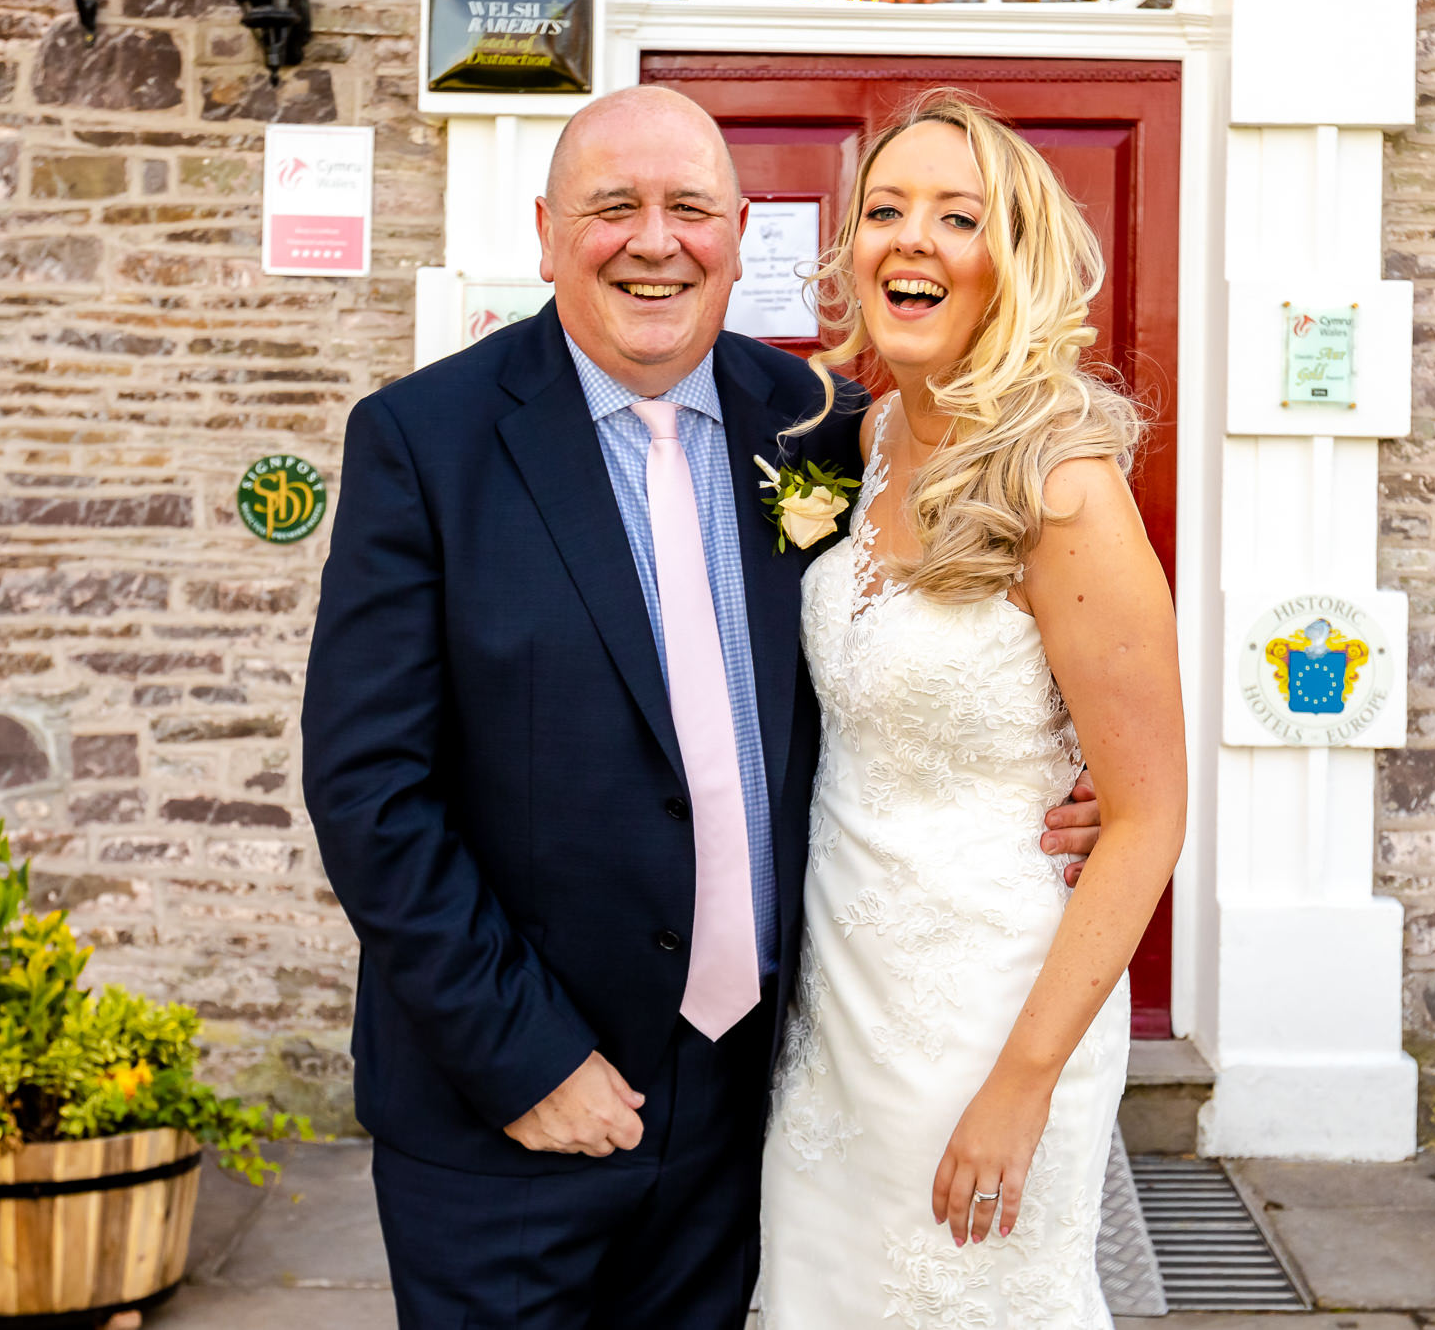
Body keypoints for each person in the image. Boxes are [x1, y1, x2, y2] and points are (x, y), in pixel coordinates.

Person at [300, 85, 1104, 1329]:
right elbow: (369, 794)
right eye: (612, 207)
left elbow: (914, 661)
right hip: (513, 1120)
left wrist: (1077, 776)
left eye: (688, 207)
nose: (654, 240)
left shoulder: (824, 429)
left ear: (740, 227)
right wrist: (527, 1060)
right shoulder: (424, 440)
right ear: (547, 230)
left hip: (753, 1104)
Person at [759, 90, 1186, 1327]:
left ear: (1014, 259)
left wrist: (1023, 1080)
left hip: (986, 1004)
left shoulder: (1065, 486)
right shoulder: (870, 436)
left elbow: (1147, 817)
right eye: (884, 210)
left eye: (958, 216)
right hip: (839, 1002)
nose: (910, 239)